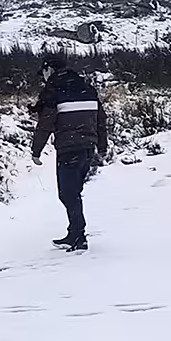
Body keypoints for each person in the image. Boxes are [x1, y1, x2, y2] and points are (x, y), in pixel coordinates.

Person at [30, 52, 109, 251]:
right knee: (74, 192)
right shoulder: (86, 88)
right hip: (87, 147)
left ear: (49, 69)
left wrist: (36, 151)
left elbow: (45, 124)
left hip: (68, 148)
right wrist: (102, 146)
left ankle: (78, 236)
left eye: (44, 72)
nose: (43, 77)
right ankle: (74, 233)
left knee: (68, 194)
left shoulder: (53, 90)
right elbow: (101, 119)